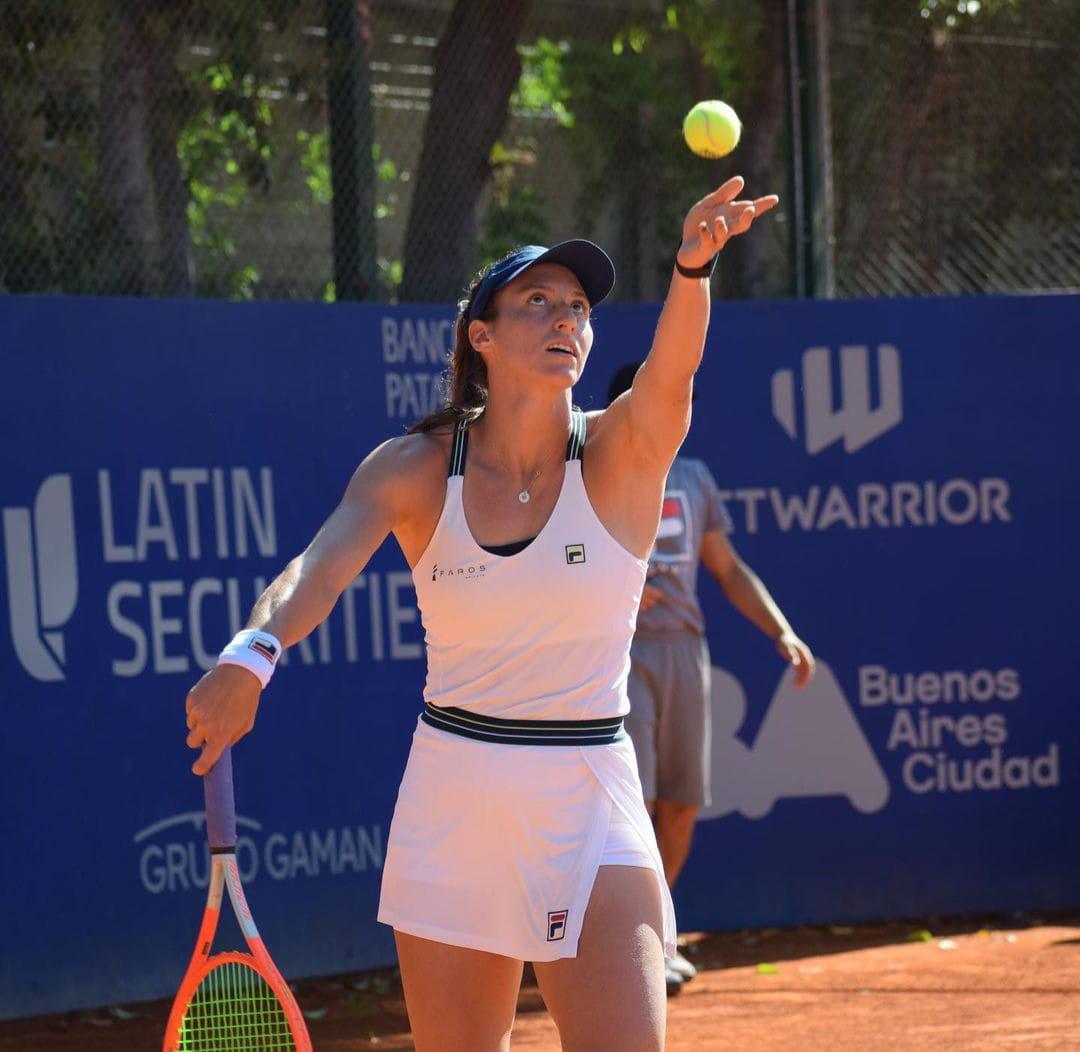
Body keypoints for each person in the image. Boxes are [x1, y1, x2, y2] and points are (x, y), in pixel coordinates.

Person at [184, 174, 777, 1052]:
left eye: (577, 307)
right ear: (483, 336)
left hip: (589, 796)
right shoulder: (414, 467)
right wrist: (253, 650)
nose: (565, 320)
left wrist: (692, 269)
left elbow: (674, 370)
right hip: (455, 800)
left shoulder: (622, 451)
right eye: (537, 302)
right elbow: (317, 566)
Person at [607, 362, 816, 994]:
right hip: (621, 656)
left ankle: (657, 936)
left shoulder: (696, 479)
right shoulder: (594, 471)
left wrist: (780, 629)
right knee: (635, 806)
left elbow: (727, 568)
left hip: (686, 655)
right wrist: (616, 584)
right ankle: (626, 947)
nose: (675, 409)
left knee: (680, 806)